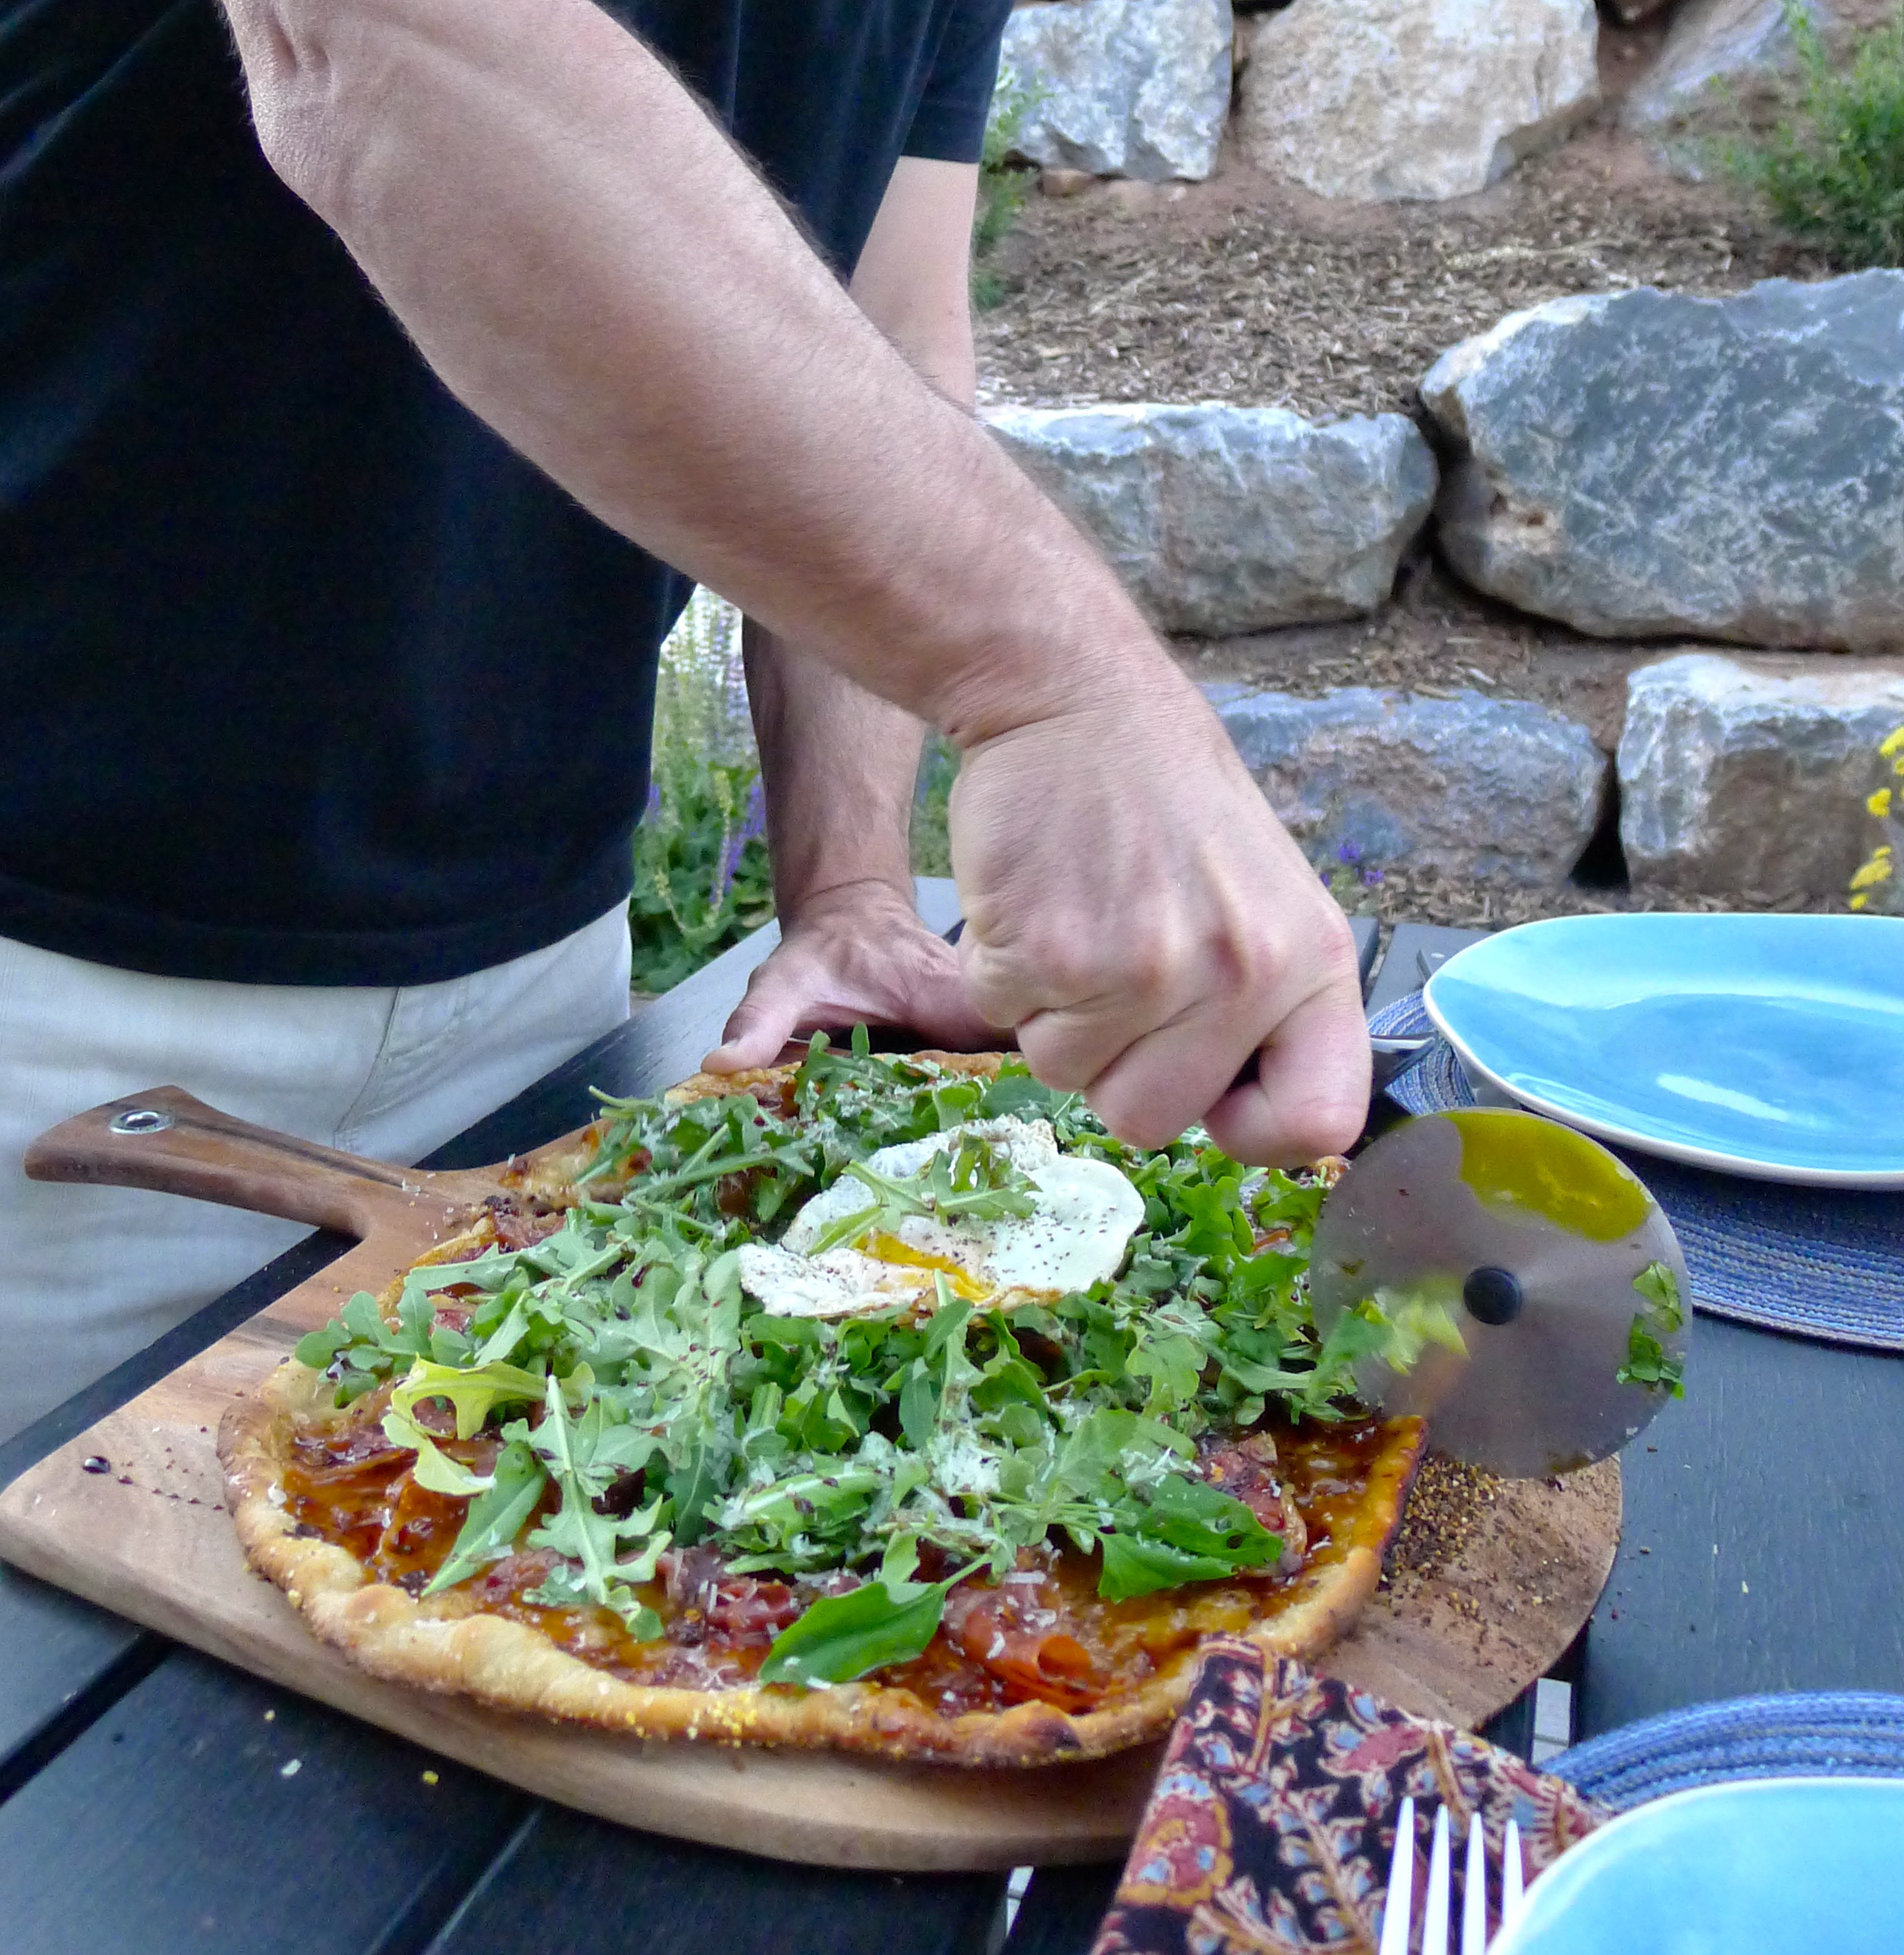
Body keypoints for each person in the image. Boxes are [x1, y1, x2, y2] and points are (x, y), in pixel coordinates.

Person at [0, 0, 1368, 1442]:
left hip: (543, 1000)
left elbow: (882, 338)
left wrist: (851, 890)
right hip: (52, 991)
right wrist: (1058, 684)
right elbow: (382, 53)